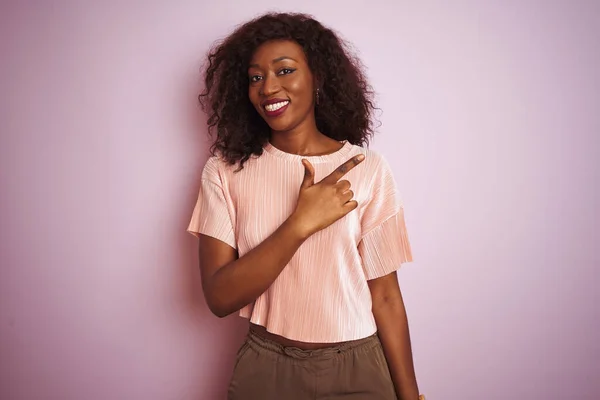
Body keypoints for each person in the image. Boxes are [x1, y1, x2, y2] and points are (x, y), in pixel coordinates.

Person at [187, 12, 424, 400]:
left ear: (317, 79)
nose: (268, 88)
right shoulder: (226, 171)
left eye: (284, 70)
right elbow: (219, 297)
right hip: (266, 370)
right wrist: (301, 223)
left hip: (358, 368)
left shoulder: (368, 169)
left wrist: (411, 396)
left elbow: (385, 297)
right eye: (256, 77)